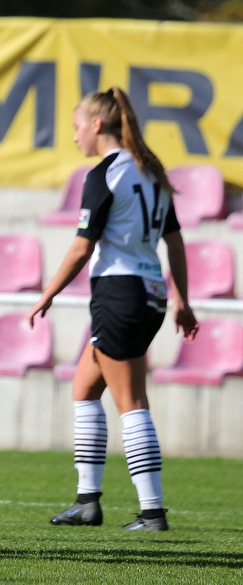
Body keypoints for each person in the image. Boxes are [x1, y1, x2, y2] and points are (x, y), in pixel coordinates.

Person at [28, 86, 199, 532]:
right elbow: (175, 241)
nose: (74, 137)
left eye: (77, 127)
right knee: (85, 387)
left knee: (132, 402)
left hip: (120, 293)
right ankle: (87, 502)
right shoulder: (151, 172)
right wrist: (181, 298)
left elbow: (83, 247)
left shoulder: (105, 174)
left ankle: (153, 512)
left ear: (97, 125)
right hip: (150, 293)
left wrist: (47, 293)